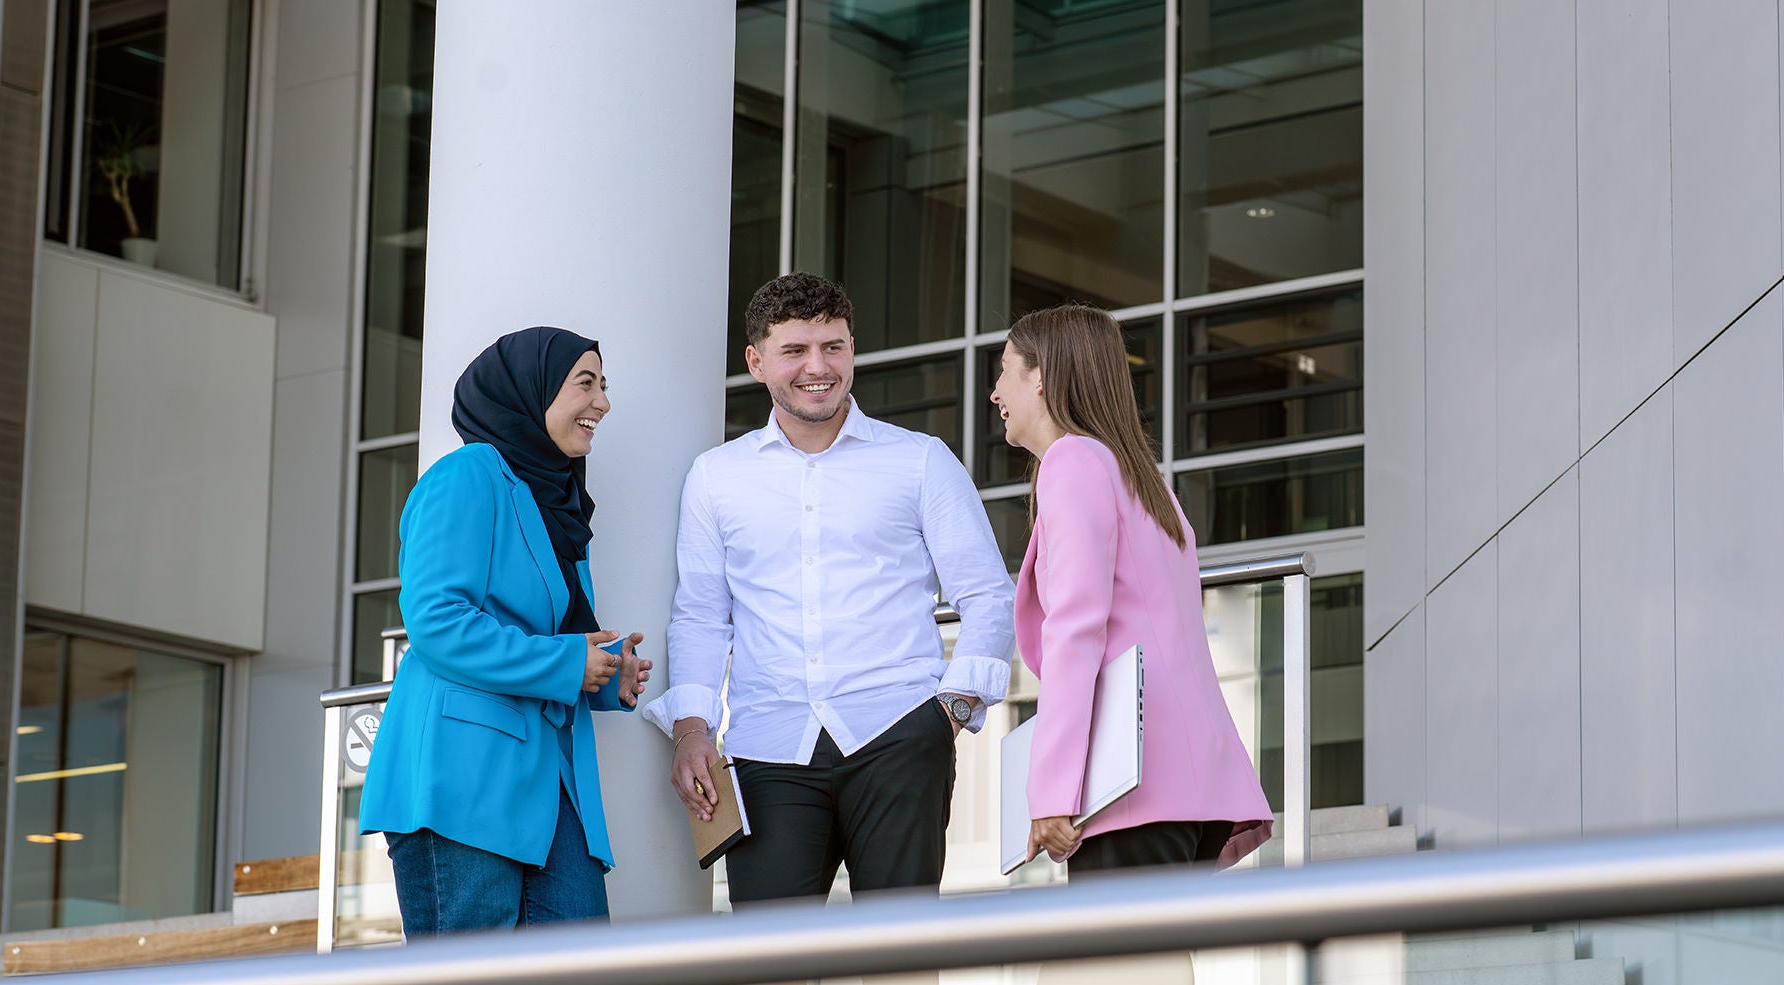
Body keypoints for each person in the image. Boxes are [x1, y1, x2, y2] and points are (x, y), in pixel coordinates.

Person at [645, 272, 1015, 904]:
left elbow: (986, 594)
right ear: (756, 362)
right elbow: (702, 617)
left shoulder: (920, 460)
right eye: (794, 350)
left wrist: (949, 712)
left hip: (899, 733)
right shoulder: (716, 478)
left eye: (833, 347)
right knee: (769, 952)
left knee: (898, 947)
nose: (817, 367)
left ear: (851, 350)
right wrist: (692, 730)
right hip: (769, 747)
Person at [359, 327, 650, 936]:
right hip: (463, 780)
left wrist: (603, 671)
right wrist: (569, 664)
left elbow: (548, 632)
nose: (602, 403)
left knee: (580, 984)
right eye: (586, 384)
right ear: (530, 389)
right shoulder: (467, 475)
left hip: (549, 784)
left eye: (604, 386)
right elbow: (438, 622)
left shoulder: (558, 502)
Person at [990, 302, 1272, 876]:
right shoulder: (1141, 477)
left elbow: (1076, 629)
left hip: (1130, 783)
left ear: (1040, 376)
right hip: (1187, 781)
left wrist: (1052, 789)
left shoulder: (1072, 462)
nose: (995, 393)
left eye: (1003, 371)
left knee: (1117, 939)